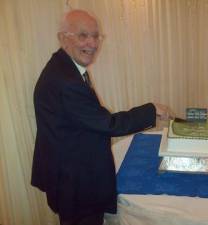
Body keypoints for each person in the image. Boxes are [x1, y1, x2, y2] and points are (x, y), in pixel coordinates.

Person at [31, 9, 172, 225]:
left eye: (96, 36)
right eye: (83, 35)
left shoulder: (63, 66)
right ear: (63, 38)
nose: (93, 43)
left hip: (69, 172)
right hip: (76, 183)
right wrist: (151, 109)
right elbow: (108, 123)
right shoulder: (66, 81)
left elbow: (84, 120)